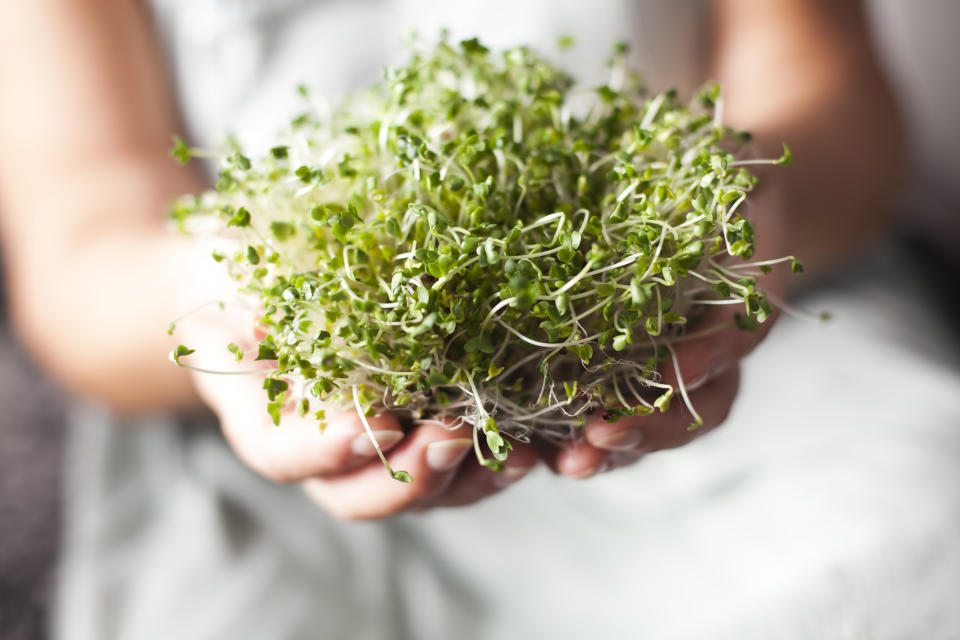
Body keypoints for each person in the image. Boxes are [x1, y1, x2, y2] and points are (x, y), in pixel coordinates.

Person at [7, 1, 953, 638]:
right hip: (271, 429)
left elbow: (843, 116)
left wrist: (746, 202)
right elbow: (82, 248)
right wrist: (211, 286)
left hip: (744, 347)